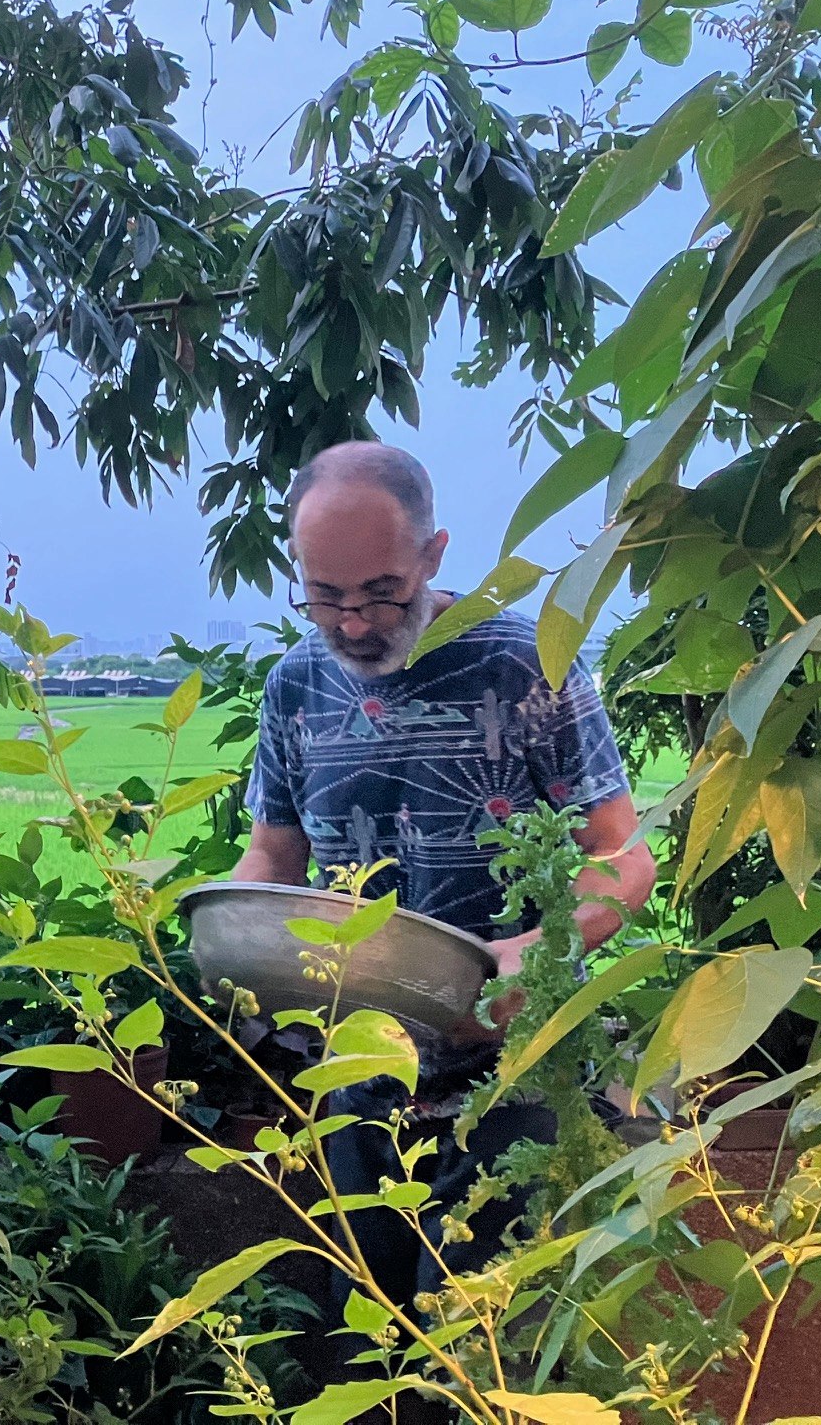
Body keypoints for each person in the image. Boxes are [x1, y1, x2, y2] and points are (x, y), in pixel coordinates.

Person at [233, 442, 657, 1342]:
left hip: (514, 1080)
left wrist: (530, 956)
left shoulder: (527, 664)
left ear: (434, 555)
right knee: (377, 1345)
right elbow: (272, 855)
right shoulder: (293, 688)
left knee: (489, 1350)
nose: (351, 623)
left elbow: (622, 855)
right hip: (357, 1076)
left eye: (382, 591)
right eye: (324, 595)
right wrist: (229, 932)